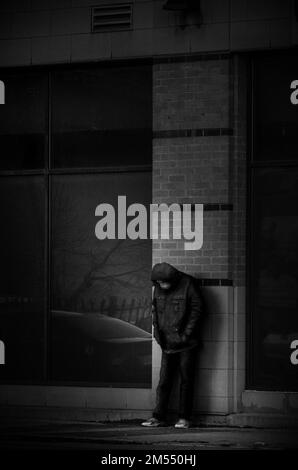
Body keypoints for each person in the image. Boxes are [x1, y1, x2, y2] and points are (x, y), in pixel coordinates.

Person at [141, 262, 203, 429]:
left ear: (171, 279)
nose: (161, 285)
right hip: (167, 342)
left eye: (163, 282)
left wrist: (186, 336)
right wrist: (157, 332)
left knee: (186, 380)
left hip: (186, 344)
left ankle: (184, 418)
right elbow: (155, 310)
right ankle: (158, 417)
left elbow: (198, 311)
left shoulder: (188, 284)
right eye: (158, 283)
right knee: (164, 381)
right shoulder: (159, 287)